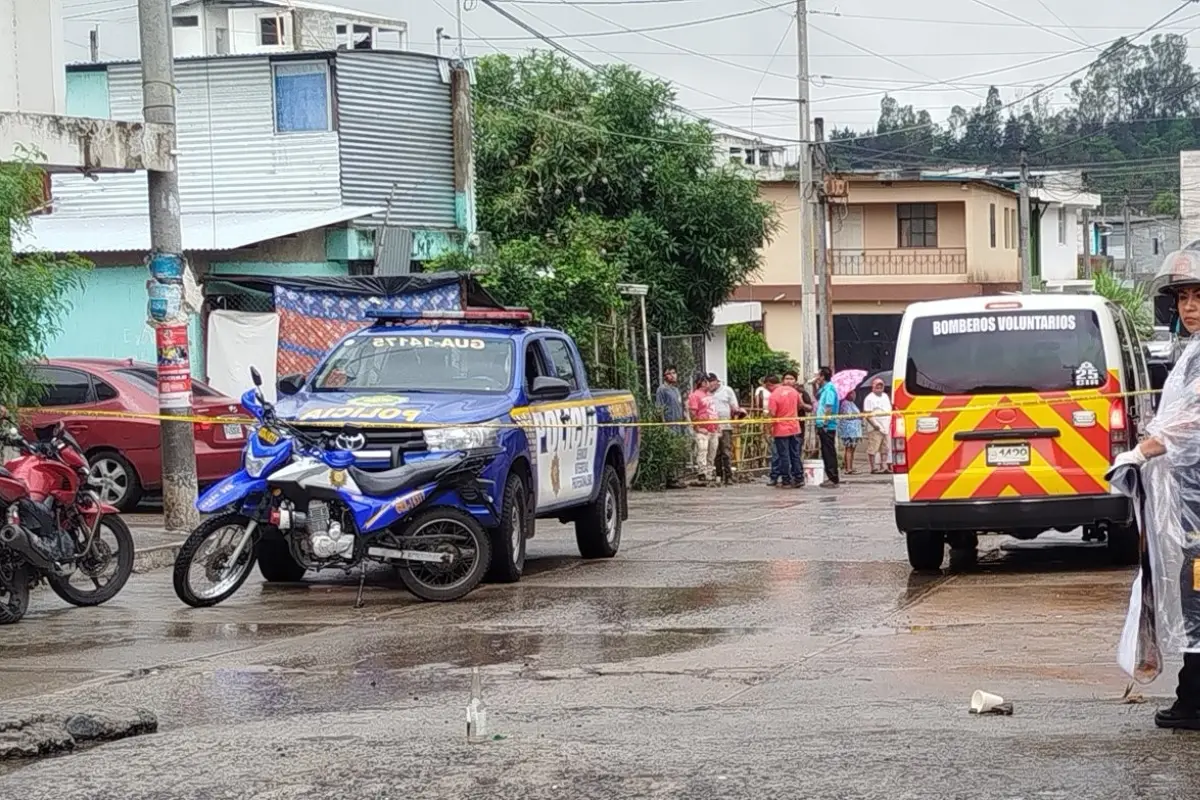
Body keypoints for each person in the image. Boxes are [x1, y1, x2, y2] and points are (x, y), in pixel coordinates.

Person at [1110, 249, 1200, 729]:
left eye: (1198, 297)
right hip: (1189, 503)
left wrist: (1145, 449)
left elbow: (1193, 420)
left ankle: (1195, 698)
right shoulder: (1191, 352)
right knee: (1191, 592)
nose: (1189, 307)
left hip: (1198, 507)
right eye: (1184, 298)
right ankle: (1192, 691)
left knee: (1198, 594)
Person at [767, 372, 802, 488]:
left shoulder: (773, 396)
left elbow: (772, 413)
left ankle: (786, 479)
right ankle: (798, 478)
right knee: (795, 454)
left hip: (780, 429)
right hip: (795, 427)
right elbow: (800, 405)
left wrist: (769, 427)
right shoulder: (794, 392)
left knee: (784, 455)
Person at [707, 373, 742, 486]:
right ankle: (718, 475)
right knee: (715, 452)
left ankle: (729, 476)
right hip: (711, 426)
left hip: (725, 425)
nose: (709, 384)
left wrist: (736, 419)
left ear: (717, 381)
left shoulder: (727, 390)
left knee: (726, 451)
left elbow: (734, 407)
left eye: (711, 381)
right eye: (708, 382)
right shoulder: (706, 393)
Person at [687, 374, 719, 482]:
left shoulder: (709, 395)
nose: (709, 384)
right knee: (702, 451)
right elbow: (692, 413)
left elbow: (713, 411)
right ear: (703, 383)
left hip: (712, 429)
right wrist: (697, 427)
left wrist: (717, 426)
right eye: (707, 381)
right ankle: (702, 472)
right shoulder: (695, 395)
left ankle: (710, 471)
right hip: (702, 430)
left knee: (712, 452)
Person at [813, 366, 841, 488]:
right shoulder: (824, 389)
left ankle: (833, 477)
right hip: (822, 424)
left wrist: (824, 422)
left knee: (828, 452)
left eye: (818, 375)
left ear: (823, 376)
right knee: (825, 451)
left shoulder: (830, 389)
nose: (817, 377)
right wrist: (814, 385)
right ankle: (831, 476)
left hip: (827, 426)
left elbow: (829, 407)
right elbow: (817, 397)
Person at [863, 378, 892, 474]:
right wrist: (874, 425)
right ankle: (873, 467)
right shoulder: (869, 398)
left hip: (886, 426)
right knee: (873, 448)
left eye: (881, 386)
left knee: (885, 448)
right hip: (875, 427)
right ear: (873, 387)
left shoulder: (885, 396)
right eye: (877, 386)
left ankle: (883, 466)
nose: (879, 388)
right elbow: (867, 414)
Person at [655, 365, 685, 434]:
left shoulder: (676, 390)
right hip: (669, 428)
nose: (672, 376)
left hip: (678, 426)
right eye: (669, 373)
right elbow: (659, 408)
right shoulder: (662, 389)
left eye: (674, 373)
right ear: (664, 376)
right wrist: (664, 426)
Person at [839, 395, 863, 475]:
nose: (853, 395)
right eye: (851, 393)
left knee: (852, 449)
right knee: (849, 449)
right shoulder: (845, 403)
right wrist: (859, 416)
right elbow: (848, 415)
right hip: (849, 430)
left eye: (854, 393)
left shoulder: (852, 403)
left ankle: (850, 467)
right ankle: (848, 468)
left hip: (855, 431)